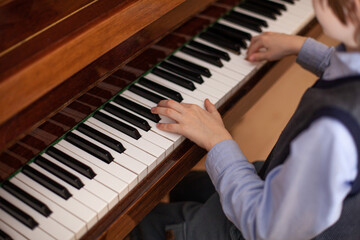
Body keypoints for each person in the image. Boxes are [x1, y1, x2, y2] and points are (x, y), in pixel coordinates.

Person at [131, 0, 360, 239]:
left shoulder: (335, 133)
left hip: (262, 224)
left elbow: (267, 228)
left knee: (141, 222)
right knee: (183, 184)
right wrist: (301, 46)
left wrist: (217, 140)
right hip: (291, 191)